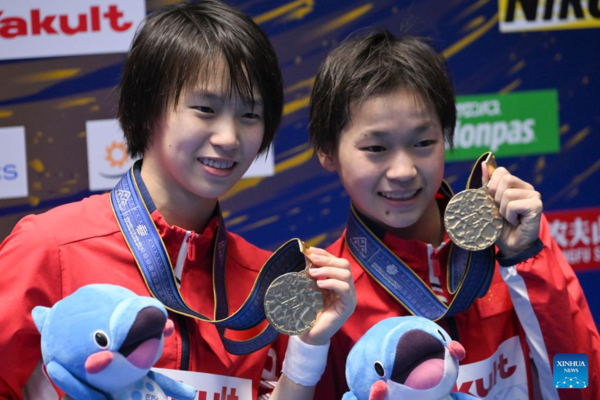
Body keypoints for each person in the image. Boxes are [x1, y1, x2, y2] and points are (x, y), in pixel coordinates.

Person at [0, 2, 356, 399]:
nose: (229, 138)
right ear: (147, 109)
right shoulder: (51, 248)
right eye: (205, 109)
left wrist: (308, 348)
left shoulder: (265, 283)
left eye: (250, 115)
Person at [308, 29, 600, 399]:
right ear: (327, 151)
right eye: (376, 147)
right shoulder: (331, 294)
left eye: (423, 142)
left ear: (446, 137)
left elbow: (579, 386)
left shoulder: (514, 246)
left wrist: (526, 262)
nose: (404, 170)